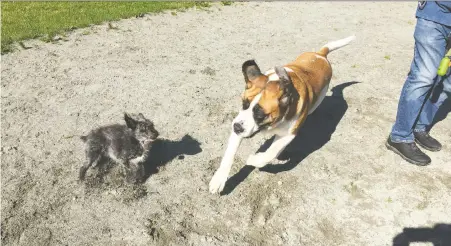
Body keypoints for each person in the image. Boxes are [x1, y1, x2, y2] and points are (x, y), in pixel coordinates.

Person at [386, 1, 451, 166]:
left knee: (446, 82)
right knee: (424, 77)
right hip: (436, 15)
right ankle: (400, 136)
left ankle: (419, 127)